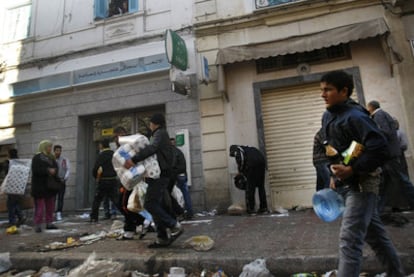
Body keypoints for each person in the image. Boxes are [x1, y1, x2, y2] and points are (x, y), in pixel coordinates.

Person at [320, 70, 405, 277]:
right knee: (375, 236)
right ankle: (396, 273)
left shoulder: (357, 116)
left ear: (344, 91)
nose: (323, 94)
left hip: (363, 185)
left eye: (328, 90)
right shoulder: (328, 115)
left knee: (350, 240)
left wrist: (352, 169)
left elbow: (380, 148)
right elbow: (334, 149)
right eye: (322, 90)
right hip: (345, 185)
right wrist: (334, 175)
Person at [124, 113, 183, 248]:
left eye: (150, 123)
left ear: (155, 123)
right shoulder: (160, 134)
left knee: (150, 204)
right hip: (157, 175)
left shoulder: (160, 134)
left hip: (160, 176)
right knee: (156, 205)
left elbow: (152, 148)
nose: (150, 125)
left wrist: (134, 159)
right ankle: (162, 237)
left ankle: (174, 225)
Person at [367, 100, 414, 212]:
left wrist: (374, 134)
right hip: (389, 155)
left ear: (371, 107)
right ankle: (378, 210)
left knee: (401, 179)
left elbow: (385, 132)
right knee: (384, 183)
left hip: (389, 155)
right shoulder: (384, 114)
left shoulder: (379, 115)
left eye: (367, 108)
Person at [229, 145, 269, 215]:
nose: (234, 156)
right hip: (261, 164)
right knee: (261, 186)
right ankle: (264, 208)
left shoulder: (238, 150)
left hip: (252, 166)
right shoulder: (250, 149)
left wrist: (240, 172)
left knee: (250, 187)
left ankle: (251, 210)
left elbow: (241, 160)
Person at [31, 140, 59, 232]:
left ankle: (49, 223)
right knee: (40, 207)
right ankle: (38, 225)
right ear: (43, 147)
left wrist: (55, 171)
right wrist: (48, 170)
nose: (50, 149)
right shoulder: (37, 157)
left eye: (50, 147)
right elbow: (36, 170)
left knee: (50, 206)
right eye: (48, 147)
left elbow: (56, 168)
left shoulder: (51, 158)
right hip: (39, 187)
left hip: (49, 187)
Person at [90, 139, 120, 222]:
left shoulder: (101, 155)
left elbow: (96, 168)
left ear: (101, 145)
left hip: (103, 180)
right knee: (116, 199)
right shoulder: (113, 154)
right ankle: (126, 214)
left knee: (97, 199)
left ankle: (94, 217)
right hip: (113, 180)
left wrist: (96, 177)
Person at [170, 137, 193, 220]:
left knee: (177, 195)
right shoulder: (179, 151)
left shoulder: (171, 152)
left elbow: (172, 165)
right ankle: (189, 212)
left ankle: (180, 212)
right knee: (185, 194)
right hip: (183, 175)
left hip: (176, 175)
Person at [4, 149, 26, 227]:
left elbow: (7, 174)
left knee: (10, 204)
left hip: (11, 185)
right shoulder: (20, 163)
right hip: (19, 185)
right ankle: (21, 216)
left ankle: (12, 221)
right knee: (15, 203)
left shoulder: (9, 163)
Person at [53, 145, 70, 221]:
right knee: (52, 198)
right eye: (57, 150)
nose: (58, 152)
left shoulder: (64, 160)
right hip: (53, 182)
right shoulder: (51, 159)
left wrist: (65, 178)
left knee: (60, 198)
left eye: (59, 150)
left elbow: (68, 169)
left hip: (61, 181)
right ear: (54, 151)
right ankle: (51, 213)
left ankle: (59, 212)